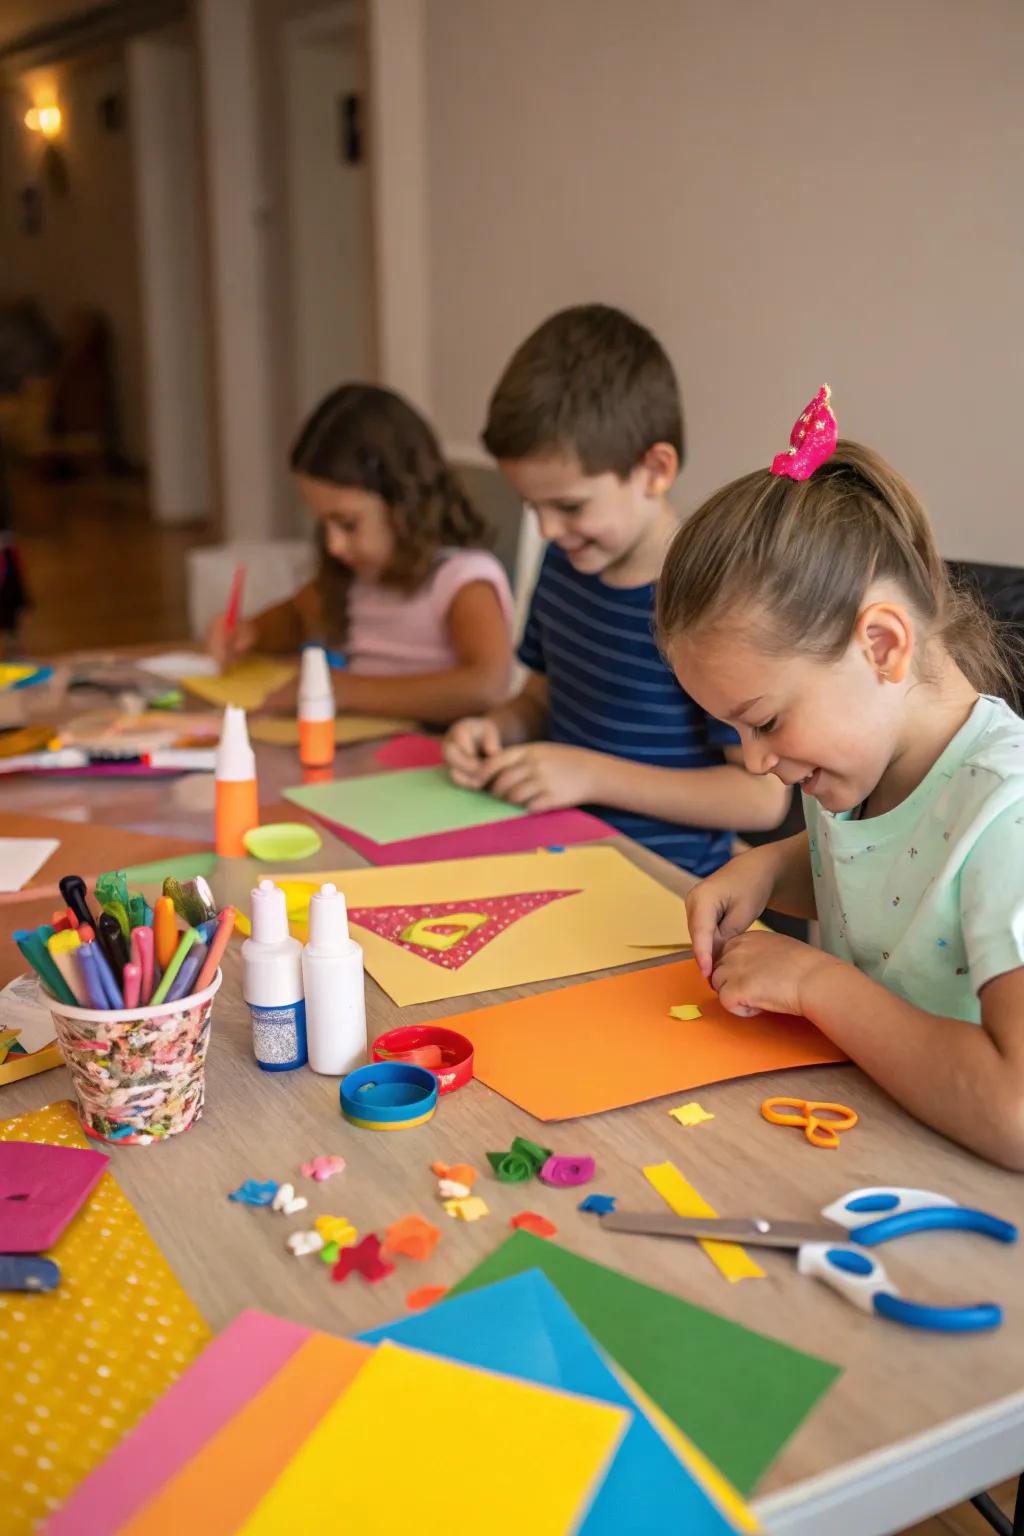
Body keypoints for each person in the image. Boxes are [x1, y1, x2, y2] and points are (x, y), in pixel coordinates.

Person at [656, 384, 1024, 1168]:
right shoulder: (866, 764)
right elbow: (898, 875)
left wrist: (816, 984)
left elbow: (1018, 1113)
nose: (756, 761)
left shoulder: (1008, 816)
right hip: (865, 1146)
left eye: (764, 721)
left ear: (882, 647)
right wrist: (768, 869)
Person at [444, 304, 787, 873]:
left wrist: (590, 775)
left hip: (664, 888)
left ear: (655, 469)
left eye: (570, 506)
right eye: (534, 507)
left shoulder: (710, 597)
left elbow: (760, 798)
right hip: (555, 860)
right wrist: (495, 729)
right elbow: (541, 697)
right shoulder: (563, 564)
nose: (549, 530)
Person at [206, 384, 514, 724]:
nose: (334, 545)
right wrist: (250, 632)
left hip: (432, 759)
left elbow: (485, 686)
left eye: (348, 525)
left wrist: (343, 691)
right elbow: (295, 618)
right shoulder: (353, 578)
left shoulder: (462, 581)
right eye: (324, 525)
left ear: (404, 502)